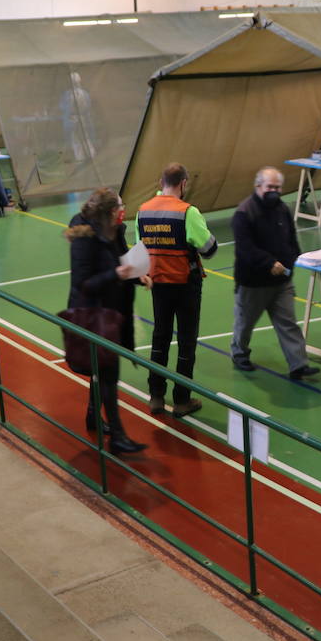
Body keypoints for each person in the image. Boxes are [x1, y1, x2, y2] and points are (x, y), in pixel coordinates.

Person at [65, 188, 149, 454]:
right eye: (121, 206)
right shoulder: (84, 237)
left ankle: (94, 416)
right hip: (93, 314)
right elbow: (84, 283)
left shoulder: (114, 231)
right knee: (109, 372)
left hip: (112, 310)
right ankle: (118, 436)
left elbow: (122, 261)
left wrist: (136, 275)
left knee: (103, 368)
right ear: (111, 210)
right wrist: (116, 274)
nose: (124, 210)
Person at [138, 163, 218, 417]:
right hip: (185, 285)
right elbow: (209, 248)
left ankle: (156, 397)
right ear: (183, 184)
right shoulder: (188, 212)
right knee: (186, 342)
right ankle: (181, 400)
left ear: (161, 182)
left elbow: (139, 249)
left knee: (160, 337)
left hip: (158, 283)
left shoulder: (143, 210)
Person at [229, 167, 320, 379]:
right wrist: (269, 262)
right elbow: (245, 248)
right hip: (253, 283)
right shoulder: (244, 213)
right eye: (270, 187)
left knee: (288, 323)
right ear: (258, 186)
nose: (274, 191)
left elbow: (291, 239)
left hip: (282, 282)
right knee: (245, 323)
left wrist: (291, 260)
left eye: (278, 188)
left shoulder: (282, 209)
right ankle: (239, 353)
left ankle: (298, 364)